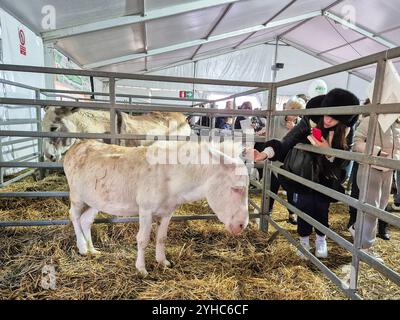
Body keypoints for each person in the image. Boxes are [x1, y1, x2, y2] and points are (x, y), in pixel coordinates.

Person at [250, 89, 359, 259]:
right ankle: (304, 240)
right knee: (304, 207)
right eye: (326, 114)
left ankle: (321, 239)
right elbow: (287, 141)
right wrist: (265, 153)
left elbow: (345, 162)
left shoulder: (346, 131)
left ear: (343, 119)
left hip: (328, 176)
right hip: (303, 172)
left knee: (322, 208)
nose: (328, 119)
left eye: (334, 117)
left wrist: (328, 151)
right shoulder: (311, 119)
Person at [351, 113, 400, 259]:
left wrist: (395, 159)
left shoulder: (396, 124)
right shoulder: (369, 120)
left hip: (389, 170)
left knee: (380, 207)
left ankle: (357, 230)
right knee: (371, 209)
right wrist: (377, 151)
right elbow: (356, 143)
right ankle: (364, 247)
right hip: (370, 167)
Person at [254, 95, 307, 225]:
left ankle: (292, 213)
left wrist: (293, 130)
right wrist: (263, 132)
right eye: (292, 109)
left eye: (298, 111)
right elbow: (270, 131)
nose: (294, 114)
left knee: (292, 189)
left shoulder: (300, 124)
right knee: (272, 186)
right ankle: (268, 210)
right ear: (287, 108)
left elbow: (304, 140)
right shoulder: (276, 118)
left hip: (291, 161)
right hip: (274, 158)